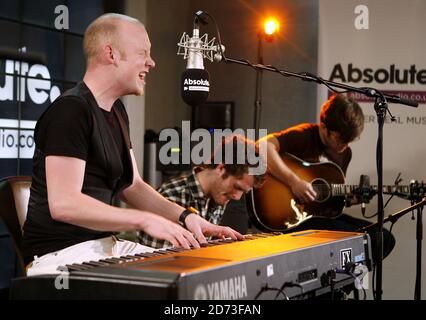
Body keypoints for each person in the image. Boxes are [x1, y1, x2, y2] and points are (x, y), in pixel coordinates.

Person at [22, 13, 243, 276]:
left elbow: (133, 185)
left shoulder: (117, 112)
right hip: (59, 254)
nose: (151, 62)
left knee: (194, 272)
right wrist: (144, 220)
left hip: (103, 247)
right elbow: (64, 204)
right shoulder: (71, 111)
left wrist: (187, 217)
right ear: (111, 54)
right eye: (143, 53)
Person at [259, 94, 395, 263]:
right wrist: (294, 182)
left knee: (383, 238)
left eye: (349, 141)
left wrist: (350, 199)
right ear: (324, 127)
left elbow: (329, 202)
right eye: (340, 140)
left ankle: (344, 284)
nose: (344, 146)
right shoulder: (304, 135)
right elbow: (263, 146)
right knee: (356, 239)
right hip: (292, 219)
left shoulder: (345, 154)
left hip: (318, 217)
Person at [139, 135, 266, 248]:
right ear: (221, 168)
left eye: (243, 191)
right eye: (237, 187)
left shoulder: (218, 193)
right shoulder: (173, 196)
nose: (237, 197)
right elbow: (160, 266)